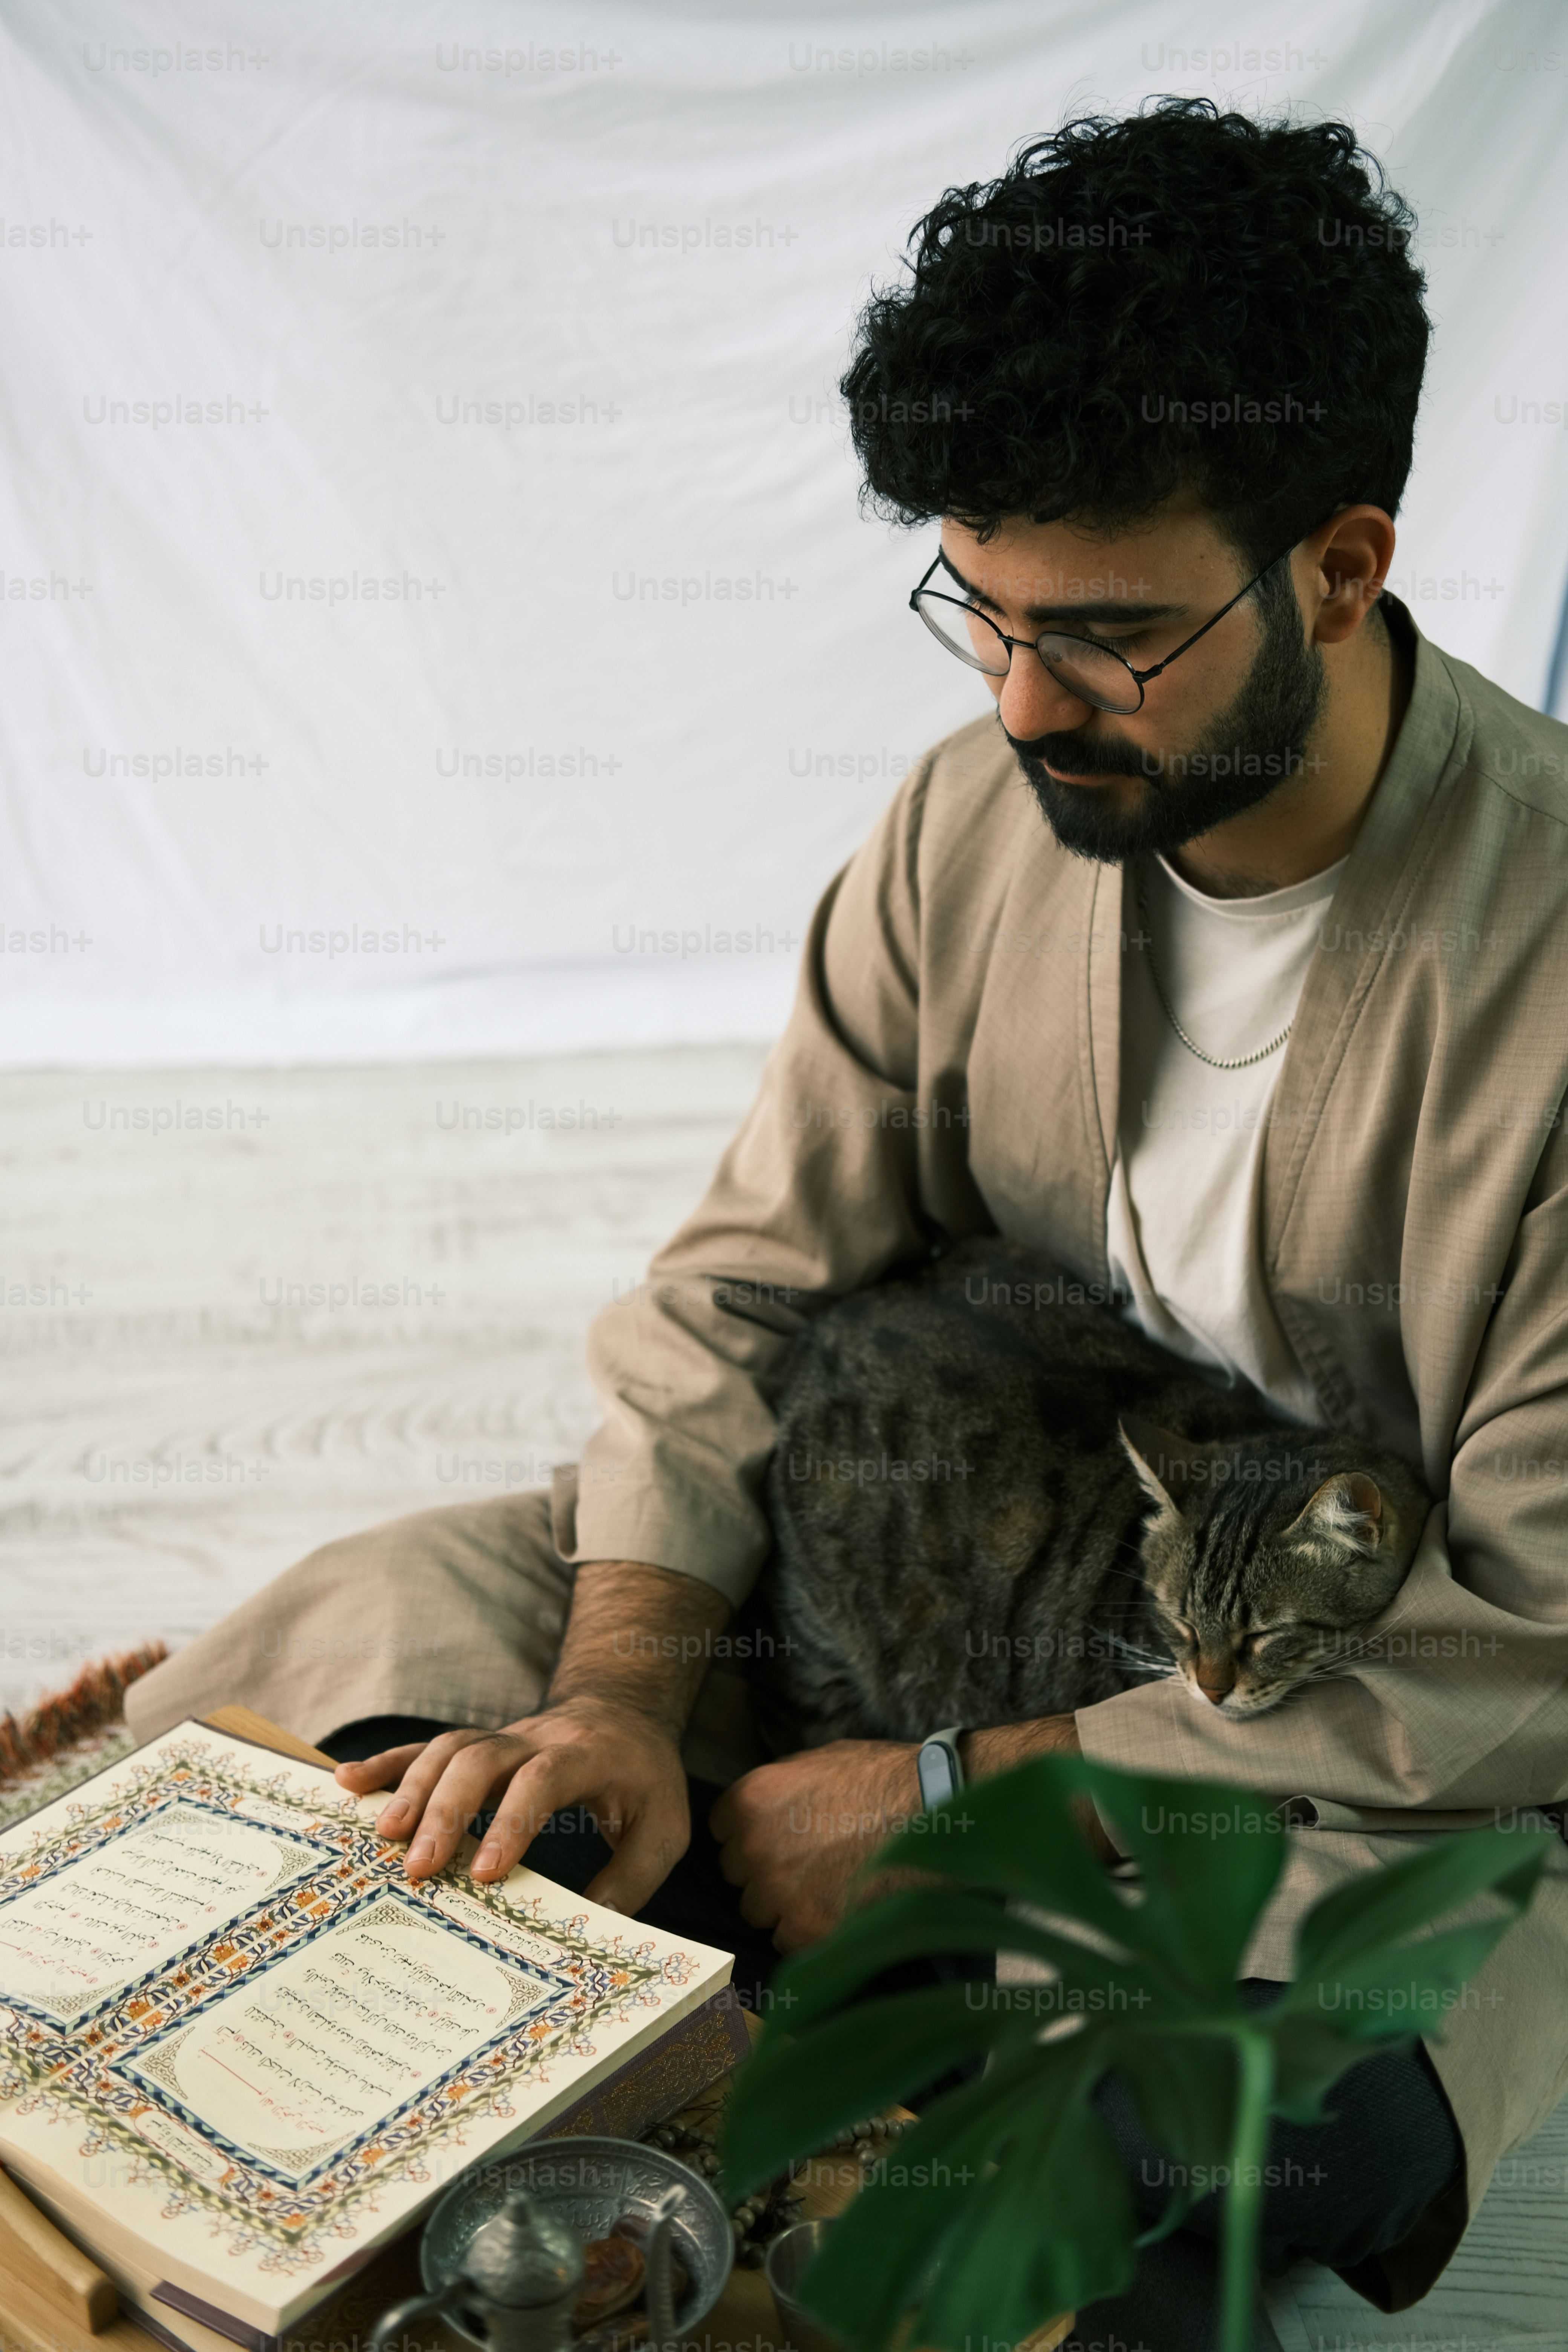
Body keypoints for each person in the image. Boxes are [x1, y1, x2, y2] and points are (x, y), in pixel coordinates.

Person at [128, 99, 1568, 2349]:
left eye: (1106, 639)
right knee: (365, 1635)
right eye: (976, 613)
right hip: (899, 1574)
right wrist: (626, 1690)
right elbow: (742, 1288)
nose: (1017, 704)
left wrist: (950, 1801)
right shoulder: (974, 824)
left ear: (1342, 566)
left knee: (1228, 2093)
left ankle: (753, 2001)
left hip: (1311, 1736)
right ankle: (640, 1923)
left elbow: (1520, 1647)